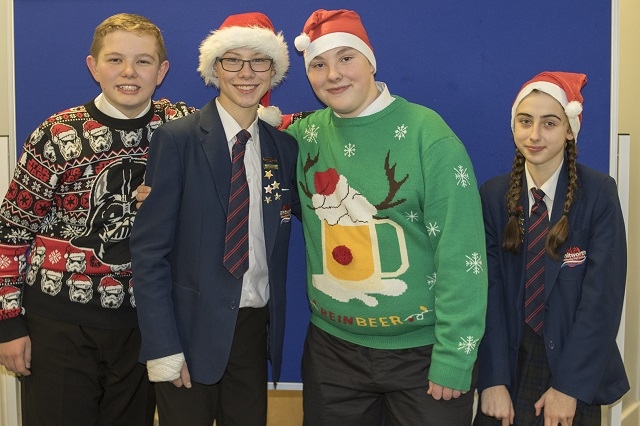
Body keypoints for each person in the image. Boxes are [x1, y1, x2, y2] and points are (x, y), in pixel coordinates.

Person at [286, 9, 487, 425]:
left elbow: (462, 253)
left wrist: (455, 356)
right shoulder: (304, 136)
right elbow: (240, 152)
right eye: (319, 64)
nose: (333, 75)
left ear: (371, 62)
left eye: (346, 58)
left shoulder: (427, 135)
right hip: (332, 353)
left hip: (423, 356)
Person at [0, 13, 194, 425]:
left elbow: (249, 123)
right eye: (114, 60)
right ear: (93, 66)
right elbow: (11, 232)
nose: (129, 72)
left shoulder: (182, 126)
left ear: (162, 71)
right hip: (58, 323)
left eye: (143, 61)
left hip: (143, 326)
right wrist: (8, 324)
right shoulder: (56, 134)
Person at [129, 12, 299, 426]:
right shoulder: (178, 139)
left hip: (251, 329)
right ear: (214, 69)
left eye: (259, 61)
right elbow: (148, 253)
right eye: (232, 61)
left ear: (273, 71)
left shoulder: (284, 147)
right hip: (187, 331)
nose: (246, 73)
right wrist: (162, 347)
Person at [474, 71, 629, 426]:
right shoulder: (493, 196)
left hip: (572, 368)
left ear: (570, 130)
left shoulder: (598, 193)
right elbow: (489, 292)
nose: (535, 134)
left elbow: (601, 300)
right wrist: (493, 378)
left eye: (550, 123)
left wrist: (569, 387)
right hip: (509, 363)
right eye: (525, 121)